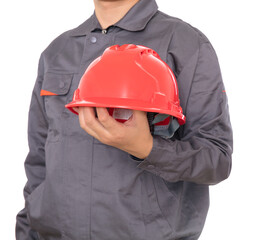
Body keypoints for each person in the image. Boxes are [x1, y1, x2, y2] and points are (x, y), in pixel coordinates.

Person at [15, 0, 233, 239]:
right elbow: (38, 163)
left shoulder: (185, 44)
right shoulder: (57, 52)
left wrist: (146, 148)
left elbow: (216, 159)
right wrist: (27, 231)